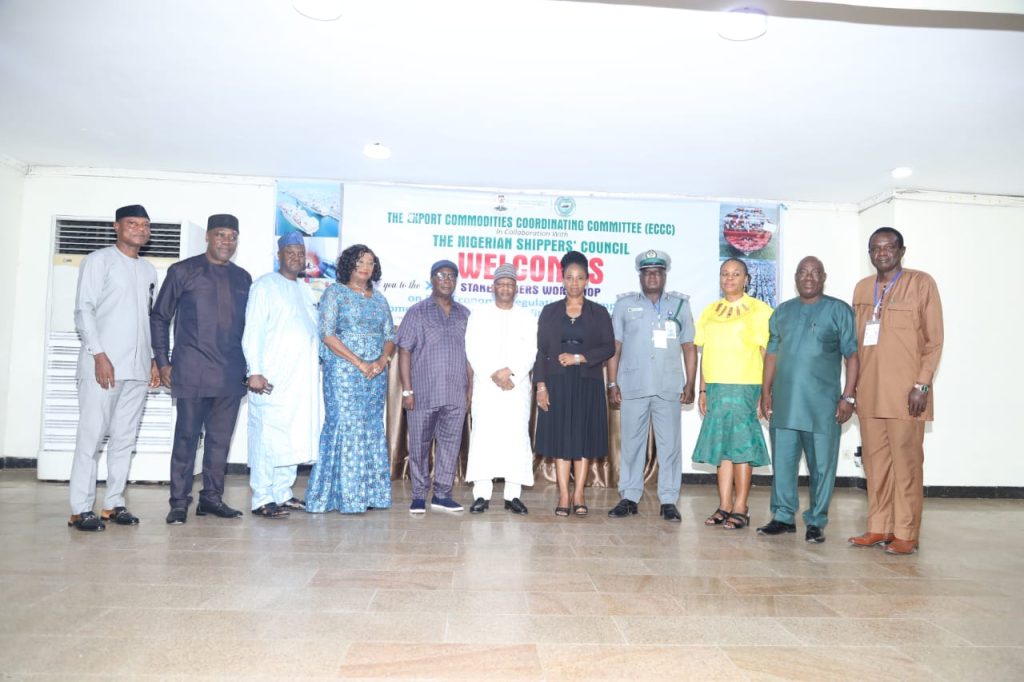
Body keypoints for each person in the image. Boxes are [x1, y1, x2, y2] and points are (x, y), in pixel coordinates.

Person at [848, 227, 943, 555]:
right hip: (869, 394)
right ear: (870, 253)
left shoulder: (921, 283)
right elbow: (855, 347)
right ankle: (878, 527)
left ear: (902, 251)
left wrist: (922, 384)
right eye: (875, 248)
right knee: (875, 465)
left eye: (889, 247)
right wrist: (852, 391)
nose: (882, 253)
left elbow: (934, 341)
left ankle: (906, 532)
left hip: (906, 396)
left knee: (906, 464)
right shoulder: (862, 289)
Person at [151, 214, 251, 524]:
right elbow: (159, 317)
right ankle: (179, 502)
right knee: (186, 439)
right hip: (192, 369)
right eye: (220, 235)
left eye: (232, 236)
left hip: (231, 373)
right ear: (208, 237)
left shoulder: (243, 278)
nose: (227, 241)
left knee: (220, 441)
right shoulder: (183, 271)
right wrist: (163, 361)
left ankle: (211, 499)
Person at [67, 204, 160, 531]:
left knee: (124, 438)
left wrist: (151, 360)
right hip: (102, 366)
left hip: (136, 368)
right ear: (116, 227)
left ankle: (113, 503)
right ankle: (80, 509)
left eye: (145, 225)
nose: (140, 230)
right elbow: (83, 310)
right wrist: (99, 355)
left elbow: (146, 319)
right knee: (91, 438)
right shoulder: (99, 260)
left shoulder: (149, 270)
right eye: (132, 224)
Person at [757, 256, 859, 543]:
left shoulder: (839, 311)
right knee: (784, 463)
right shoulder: (782, 312)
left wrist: (848, 397)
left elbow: (852, 354)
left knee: (822, 466)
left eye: (815, 272)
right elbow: (773, 353)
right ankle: (782, 516)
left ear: (823, 277)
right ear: (796, 277)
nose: (809, 277)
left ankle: (816, 521)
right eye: (803, 272)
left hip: (822, 406)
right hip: (785, 403)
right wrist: (765, 392)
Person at [606, 250, 696, 522]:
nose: (653, 276)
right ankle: (629, 496)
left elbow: (689, 347)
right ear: (641, 276)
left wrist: (691, 382)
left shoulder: (680, 305)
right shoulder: (624, 305)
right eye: (647, 272)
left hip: (668, 386)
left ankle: (668, 499)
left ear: (665, 275)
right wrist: (612, 382)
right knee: (631, 444)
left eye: (658, 271)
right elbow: (615, 347)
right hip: (633, 385)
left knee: (670, 446)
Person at [306, 244, 395, 514]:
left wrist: (381, 361)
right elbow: (327, 334)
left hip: (375, 374)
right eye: (359, 262)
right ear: (348, 265)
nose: (365, 267)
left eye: (370, 261)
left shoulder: (379, 299)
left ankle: (372, 494)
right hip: (343, 372)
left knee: (370, 425)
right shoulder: (335, 294)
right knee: (345, 424)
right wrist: (359, 362)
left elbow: (390, 336)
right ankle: (340, 496)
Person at [241, 231, 320, 519]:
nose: (297, 257)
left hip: (300, 381)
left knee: (292, 436)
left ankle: (283, 493)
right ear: (279, 256)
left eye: (301, 253)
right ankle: (262, 497)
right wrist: (255, 371)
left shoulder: (304, 289)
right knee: (267, 437)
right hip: (271, 378)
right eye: (291, 252)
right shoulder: (265, 286)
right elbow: (253, 331)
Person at [692, 258, 773, 530]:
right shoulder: (710, 310)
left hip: (745, 386)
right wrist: (702, 388)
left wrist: (766, 392)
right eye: (725, 274)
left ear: (746, 279)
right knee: (722, 448)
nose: (729, 278)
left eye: (736, 274)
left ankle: (741, 506)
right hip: (716, 387)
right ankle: (724, 504)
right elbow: (705, 352)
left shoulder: (760, 310)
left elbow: (766, 353)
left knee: (742, 448)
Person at [534, 251, 615, 517]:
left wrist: (580, 357)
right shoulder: (549, 311)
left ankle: (579, 492)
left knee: (582, 439)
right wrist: (541, 386)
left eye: (580, 278)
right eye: (569, 277)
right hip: (557, 383)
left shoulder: (599, 312)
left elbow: (607, 348)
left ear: (588, 280)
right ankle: (564, 495)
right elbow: (542, 351)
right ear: (562, 279)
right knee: (560, 440)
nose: (574, 283)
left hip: (587, 382)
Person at [396, 259, 471, 514]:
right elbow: (404, 351)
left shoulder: (464, 314)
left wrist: (469, 391)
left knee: (450, 446)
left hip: (455, 392)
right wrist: (407, 390)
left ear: (456, 281)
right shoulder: (417, 311)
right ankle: (418, 495)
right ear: (432, 279)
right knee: (419, 445)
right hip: (423, 392)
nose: (447, 280)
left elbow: (471, 356)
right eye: (441, 275)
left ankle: (442, 494)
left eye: (452, 276)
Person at [465, 263, 538, 515]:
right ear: (493, 287)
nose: (505, 288)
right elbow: (472, 348)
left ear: (516, 289)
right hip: (487, 387)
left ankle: (512, 495)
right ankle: (482, 495)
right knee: (484, 438)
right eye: (501, 284)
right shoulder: (479, 314)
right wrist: (493, 374)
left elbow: (531, 351)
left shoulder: (527, 317)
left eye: (510, 284)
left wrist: (512, 375)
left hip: (516, 389)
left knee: (516, 438)